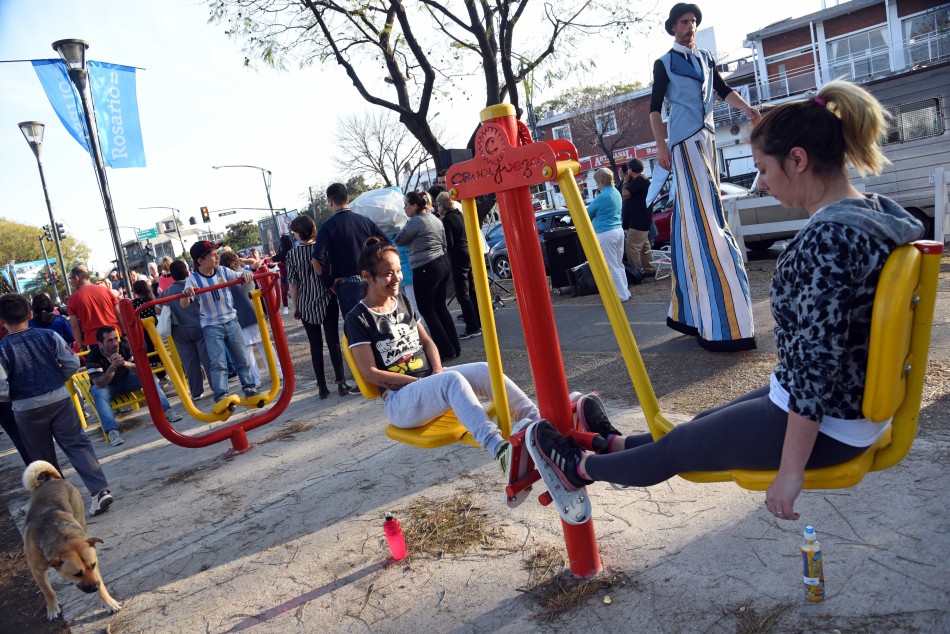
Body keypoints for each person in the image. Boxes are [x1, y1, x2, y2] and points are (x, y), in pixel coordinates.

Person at [529, 80, 925, 521]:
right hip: (842, 404)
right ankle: (612, 445)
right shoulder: (873, 217)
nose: (760, 182)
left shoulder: (829, 240)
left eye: (763, 168)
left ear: (797, 159)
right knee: (699, 426)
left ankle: (578, 469)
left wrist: (791, 471)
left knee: (681, 448)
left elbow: (816, 367)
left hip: (830, 421)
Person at [345, 237, 544, 470]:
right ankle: (499, 449)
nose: (397, 278)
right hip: (399, 400)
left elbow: (427, 341)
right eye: (388, 273)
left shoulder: (401, 301)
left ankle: (538, 422)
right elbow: (369, 373)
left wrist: (437, 370)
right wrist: (423, 381)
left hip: (430, 382)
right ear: (367, 277)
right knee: (451, 381)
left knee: (483, 369)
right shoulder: (357, 318)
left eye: (398, 270)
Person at [650, 2, 759, 351]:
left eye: (693, 21)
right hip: (682, 140)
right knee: (704, 214)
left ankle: (687, 311)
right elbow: (655, 109)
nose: (690, 26)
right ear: (672, 28)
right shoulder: (664, 63)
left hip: (708, 137)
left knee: (693, 214)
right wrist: (661, 147)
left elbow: (724, 90)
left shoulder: (708, 58)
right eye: (684, 22)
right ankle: (713, 302)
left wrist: (749, 109)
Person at [0, 294, 115, 515]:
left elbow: (1, 387)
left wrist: (13, 396)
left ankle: (62, 504)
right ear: (30, 315)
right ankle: (99, 491)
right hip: (59, 398)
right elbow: (72, 362)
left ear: (2, 321)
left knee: (42, 458)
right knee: (77, 445)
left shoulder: (3, 348)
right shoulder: (49, 335)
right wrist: (58, 378)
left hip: (26, 408)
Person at [181, 241, 259, 403]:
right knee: (218, 361)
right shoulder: (193, 280)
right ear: (201, 261)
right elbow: (184, 304)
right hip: (211, 326)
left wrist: (244, 275)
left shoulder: (223, 271)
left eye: (217, 253)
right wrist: (187, 294)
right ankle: (221, 394)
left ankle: (249, 386)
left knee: (241, 356)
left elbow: (238, 275)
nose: (217, 257)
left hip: (231, 320)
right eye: (213, 255)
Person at [286, 215, 354, 399]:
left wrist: (296, 306)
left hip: (306, 303)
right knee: (333, 342)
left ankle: (322, 387)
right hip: (327, 299)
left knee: (315, 346)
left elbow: (293, 283)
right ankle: (341, 382)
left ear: (299, 233)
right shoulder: (322, 248)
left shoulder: (292, 255)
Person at [87, 326, 183, 446]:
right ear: (100, 344)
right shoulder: (93, 356)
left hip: (126, 381)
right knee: (99, 393)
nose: (115, 343)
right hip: (106, 386)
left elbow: (141, 369)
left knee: (148, 376)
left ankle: (168, 411)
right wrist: (112, 367)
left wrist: (124, 363)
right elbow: (99, 383)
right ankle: (112, 432)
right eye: (109, 341)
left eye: (115, 339)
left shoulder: (123, 347)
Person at [395, 191, 462, 360]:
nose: (404, 208)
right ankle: (455, 346)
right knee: (441, 307)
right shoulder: (435, 219)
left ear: (415, 205)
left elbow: (400, 240)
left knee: (427, 310)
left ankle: (445, 350)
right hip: (441, 263)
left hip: (425, 267)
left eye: (406, 205)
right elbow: (445, 242)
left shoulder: (416, 222)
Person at [312, 183, 389, 319]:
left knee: (357, 330)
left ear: (330, 201)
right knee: (379, 325)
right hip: (371, 281)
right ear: (347, 198)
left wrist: (329, 282)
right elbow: (387, 244)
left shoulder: (327, 227)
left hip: (347, 285)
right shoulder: (366, 221)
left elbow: (317, 259)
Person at [219, 250, 283, 389]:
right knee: (266, 346)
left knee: (247, 352)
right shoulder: (247, 274)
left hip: (238, 319)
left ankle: (255, 380)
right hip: (256, 314)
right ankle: (277, 372)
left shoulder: (224, 281)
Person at [165, 260, 213, 400]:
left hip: (179, 330)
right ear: (187, 272)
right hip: (199, 325)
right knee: (207, 358)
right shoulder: (193, 285)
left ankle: (196, 392)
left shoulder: (167, 291)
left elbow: (159, 308)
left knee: (189, 363)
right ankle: (217, 386)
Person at [436, 192, 481, 339]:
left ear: (443, 205)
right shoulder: (461, 215)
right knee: (472, 290)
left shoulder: (448, 220)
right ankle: (479, 321)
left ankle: (472, 326)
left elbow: (449, 243)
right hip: (469, 252)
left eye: (438, 205)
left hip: (458, 256)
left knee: (463, 293)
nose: (437, 208)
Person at [586, 168, 630, 302]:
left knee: (612, 265)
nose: (596, 184)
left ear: (600, 181)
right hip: (618, 230)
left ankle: (620, 296)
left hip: (605, 232)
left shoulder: (602, 196)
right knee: (618, 264)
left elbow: (587, 214)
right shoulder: (616, 192)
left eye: (596, 181)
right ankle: (625, 292)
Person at [67, 265, 122, 349]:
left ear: (77, 278)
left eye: (71, 279)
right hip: (114, 336)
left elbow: (75, 326)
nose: (70, 282)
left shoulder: (72, 299)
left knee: (99, 362)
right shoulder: (105, 290)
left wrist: (80, 346)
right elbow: (119, 314)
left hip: (93, 340)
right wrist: (125, 334)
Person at [621, 159, 655, 276]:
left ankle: (636, 272)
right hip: (641, 220)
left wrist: (625, 182)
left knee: (632, 247)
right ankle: (649, 268)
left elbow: (625, 194)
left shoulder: (640, 180)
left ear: (630, 169)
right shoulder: (642, 180)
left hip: (638, 221)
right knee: (644, 247)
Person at [270, 235, 294, 315]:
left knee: (295, 292)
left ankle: (297, 308)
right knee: (284, 292)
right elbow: (273, 260)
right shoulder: (293, 252)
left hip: (291, 276)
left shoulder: (288, 253)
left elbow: (273, 259)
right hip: (286, 276)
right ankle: (286, 307)